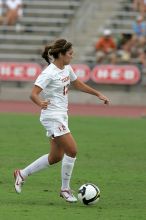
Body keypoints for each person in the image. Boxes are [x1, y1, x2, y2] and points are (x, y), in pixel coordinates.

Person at [14, 38, 110, 203]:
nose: (72, 56)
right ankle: (65, 189)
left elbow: (78, 84)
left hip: (62, 115)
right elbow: (33, 94)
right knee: (72, 150)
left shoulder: (66, 68)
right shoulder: (49, 73)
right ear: (61, 54)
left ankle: (22, 174)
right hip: (51, 116)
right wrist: (40, 103)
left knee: (55, 157)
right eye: (70, 54)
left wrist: (97, 94)